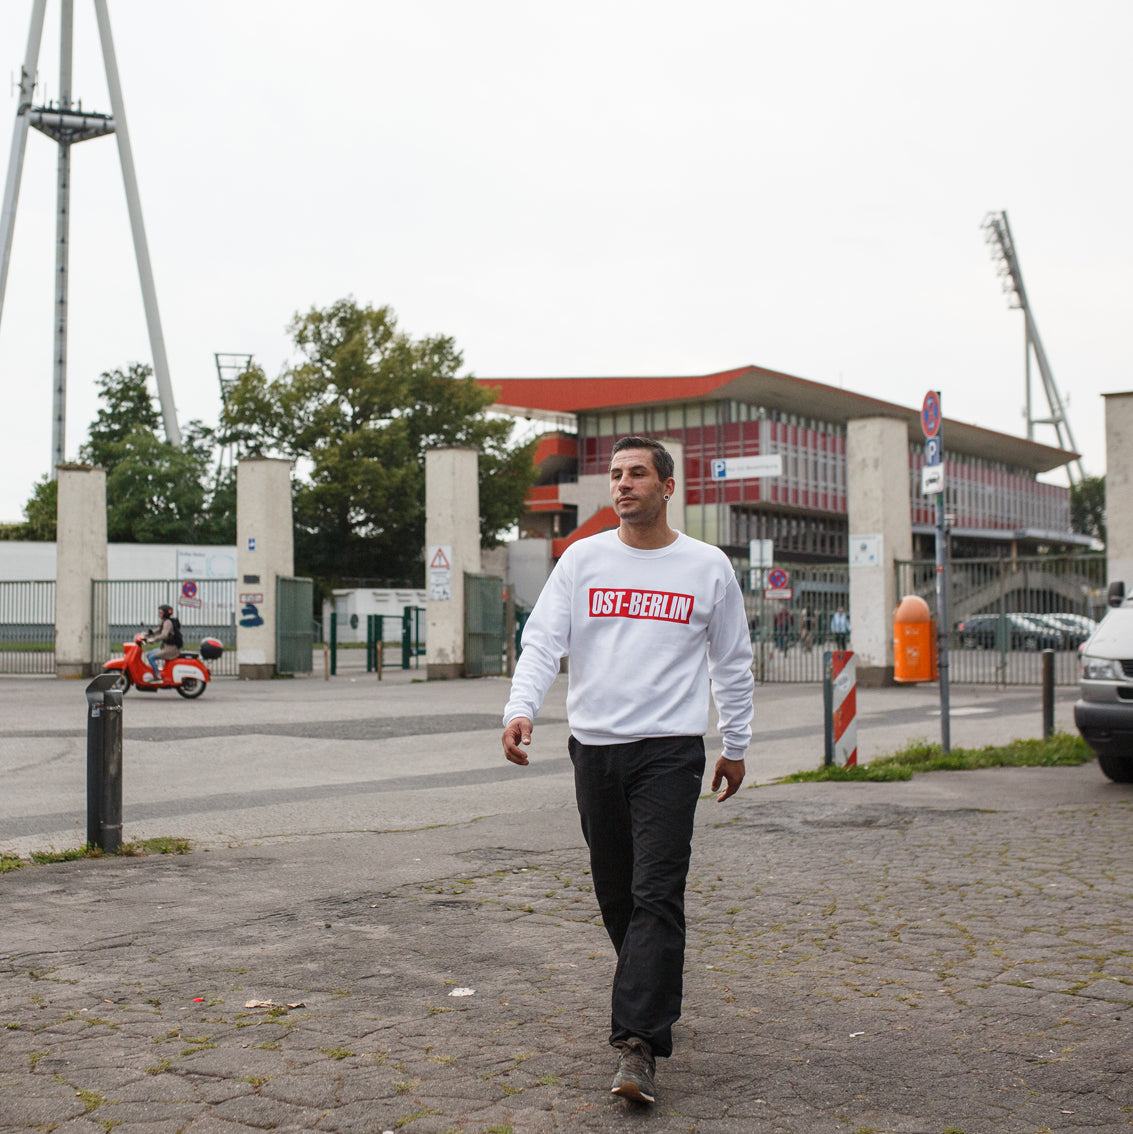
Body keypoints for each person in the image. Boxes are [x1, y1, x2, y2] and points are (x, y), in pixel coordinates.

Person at [501, 436, 754, 1106]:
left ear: (667, 486)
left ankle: (637, 1044)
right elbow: (542, 641)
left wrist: (735, 743)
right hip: (596, 748)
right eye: (615, 474)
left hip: (670, 751)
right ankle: (650, 988)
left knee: (656, 892)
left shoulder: (706, 567)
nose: (622, 484)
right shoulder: (582, 559)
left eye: (637, 473)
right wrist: (520, 708)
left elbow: (732, 661)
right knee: (617, 893)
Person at [145, 604, 182, 680]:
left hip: (171, 650)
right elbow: (159, 630)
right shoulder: (166, 622)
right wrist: (146, 634)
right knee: (149, 654)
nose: (159, 614)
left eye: (161, 613)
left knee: (151, 658)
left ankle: (158, 676)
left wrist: (153, 639)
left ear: (165, 614)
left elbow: (164, 635)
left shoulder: (168, 623)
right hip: (166, 647)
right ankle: (155, 672)